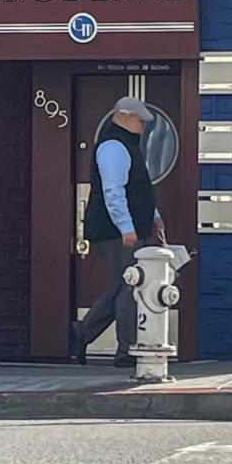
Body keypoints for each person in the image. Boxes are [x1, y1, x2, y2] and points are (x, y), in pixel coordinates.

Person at [70, 96, 164, 368]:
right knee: (131, 287)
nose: (144, 125)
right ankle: (127, 349)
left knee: (122, 285)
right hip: (116, 232)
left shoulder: (127, 146)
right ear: (123, 116)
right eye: (140, 119)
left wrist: (153, 216)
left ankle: (82, 334)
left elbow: (139, 187)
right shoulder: (114, 147)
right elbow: (113, 191)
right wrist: (126, 227)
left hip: (126, 228)